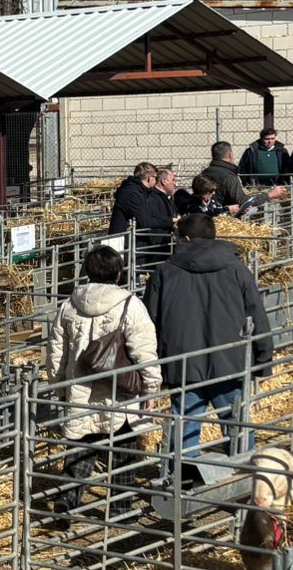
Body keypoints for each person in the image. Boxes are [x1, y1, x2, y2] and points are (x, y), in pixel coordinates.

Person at [144, 212, 274, 480]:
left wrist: (153, 364)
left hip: (183, 363)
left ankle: (180, 483)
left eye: (178, 237)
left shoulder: (165, 271)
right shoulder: (237, 269)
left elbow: (150, 320)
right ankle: (243, 478)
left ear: (187, 238)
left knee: (185, 424)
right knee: (236, 424)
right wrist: (263, 357)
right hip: (230, 361)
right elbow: (256, 314)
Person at [43, 245, 162, 514]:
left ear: (86, 272)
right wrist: (151, 389)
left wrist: (57, 383)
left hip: (80, 389)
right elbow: (145, 353)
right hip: (119, 390)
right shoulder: (131, 305)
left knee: (81, 443)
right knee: (123, 449)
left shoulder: (69, 305)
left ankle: (67, 499)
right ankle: (121, 511)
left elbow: (56, 351)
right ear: (118, 274)